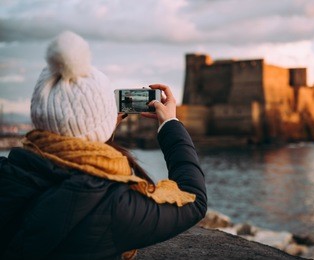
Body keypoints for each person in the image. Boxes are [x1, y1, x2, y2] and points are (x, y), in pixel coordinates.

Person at [0, 31, 207, 260]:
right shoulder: (116, 205)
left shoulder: (6, 175)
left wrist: (101, 129)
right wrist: (170, 124)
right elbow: (193, 199)